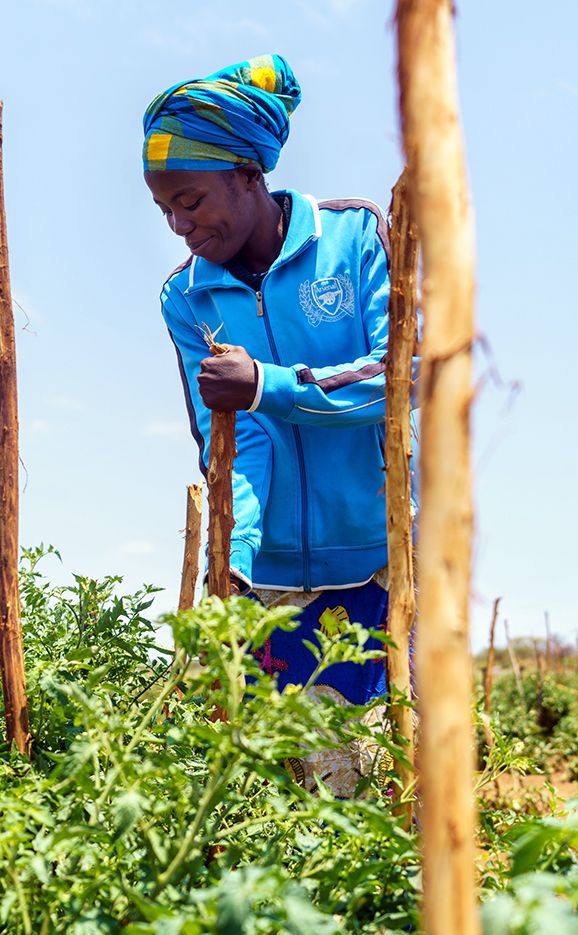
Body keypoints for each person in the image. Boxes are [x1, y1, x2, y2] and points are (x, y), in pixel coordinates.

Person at [143, 54, 408, 797]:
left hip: (381, 560)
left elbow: (400, 374)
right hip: (274, 581)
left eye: (191, 200)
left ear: (248, 174)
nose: (180, 225)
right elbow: (230, 441)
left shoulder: (354, 238)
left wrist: (269, 385)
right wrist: (234, 557)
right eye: (164, 210)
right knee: (285, 794)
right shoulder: (188, 298)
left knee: (381, 783)